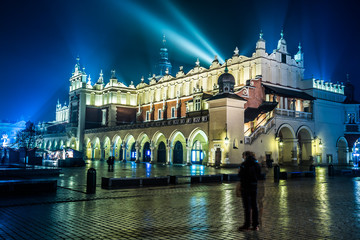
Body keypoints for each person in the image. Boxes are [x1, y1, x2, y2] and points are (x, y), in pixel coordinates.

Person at [238, 151, 261, 231]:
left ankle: (247, 224)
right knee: (254, 206)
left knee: (247, 207)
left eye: (243, 156)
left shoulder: (244, 164)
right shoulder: (256, 164)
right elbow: (259, 174)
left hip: (245, 186)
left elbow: (240, 175)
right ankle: (255, 225)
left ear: (245, 156)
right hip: (254, 186)